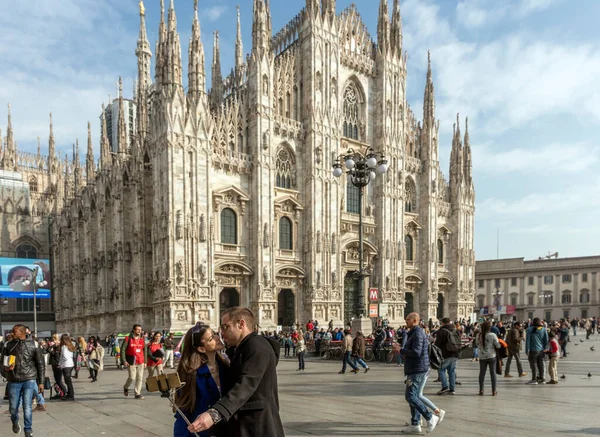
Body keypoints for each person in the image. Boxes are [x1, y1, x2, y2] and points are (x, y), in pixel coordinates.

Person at [187, 307, 284, 437]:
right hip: (245, 426)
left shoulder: (257, 346)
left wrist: (215, 414)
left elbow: (246, 385)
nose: (221, 333)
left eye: (225, 327)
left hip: (258, 427)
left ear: (241, 324)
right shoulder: (239, 350)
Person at [174, 322, 228, 437]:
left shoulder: (225, 367)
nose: (218, 338)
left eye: (214, 334)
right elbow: (183, 413)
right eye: (211, 338)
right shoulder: (191, 374)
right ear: (201, 349)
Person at [396, 312, 440, 434]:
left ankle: (430, 417)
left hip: (418, 369)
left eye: (408, 319)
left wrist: (402, 350)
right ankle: (415, 424)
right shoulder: (413, 333)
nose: (406, 321)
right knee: (413, 396)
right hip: (414, 368)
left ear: (415, 320)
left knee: (410, 396)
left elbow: (416, 352)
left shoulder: (418, 333)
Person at [0, 325, 45, 437]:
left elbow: (41, 365)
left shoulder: (33, 344)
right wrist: (6, 369)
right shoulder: (8, 345)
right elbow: (2, 363)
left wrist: (41, 382)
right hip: (13, 380)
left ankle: (28, 430)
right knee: (13, 408)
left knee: (27, 406)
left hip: (29, 379)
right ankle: (15, 422)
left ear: (22, 332)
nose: (12, 333)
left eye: (14, 332)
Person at [434, 318, 461, 395]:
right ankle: (452, 389)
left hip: (445, 354)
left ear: (442, 323)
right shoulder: (456, 330)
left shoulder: (442, 331)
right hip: (455, 353)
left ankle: (445, 387)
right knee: (452, 371)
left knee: (441, 370)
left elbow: (437, 344)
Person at [121, 324, 147, 400]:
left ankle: (137, 393)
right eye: (138, 329)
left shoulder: (142, 339)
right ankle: (126, 387)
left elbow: (144, 350)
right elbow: (123, 350)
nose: (139, 331)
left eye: (140, 330)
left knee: (139, 378)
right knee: (132, 377)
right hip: (131, 361)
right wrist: (124, 360)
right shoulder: (127, 339)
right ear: (133, 330)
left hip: (140, 361)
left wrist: (145, 361)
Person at [525, 317, 549, 385]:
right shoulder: (543, 329)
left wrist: (527, 350)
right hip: (541, 350)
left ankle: (534, 379)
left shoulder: (529, 330)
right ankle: (542, 379)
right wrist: (545, 348)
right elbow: (546, 340)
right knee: (540, 365)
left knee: (533, 365)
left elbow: (528, 341)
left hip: (533, 350)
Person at [57, 333, 76, 401]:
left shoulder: (64, 347)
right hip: (71, 364)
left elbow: (64, 356)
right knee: (68, 380)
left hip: (66, 365)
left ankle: (71, 395)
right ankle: (69, 394)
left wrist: (61, 364)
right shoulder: (70, 345)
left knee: (68, 381)